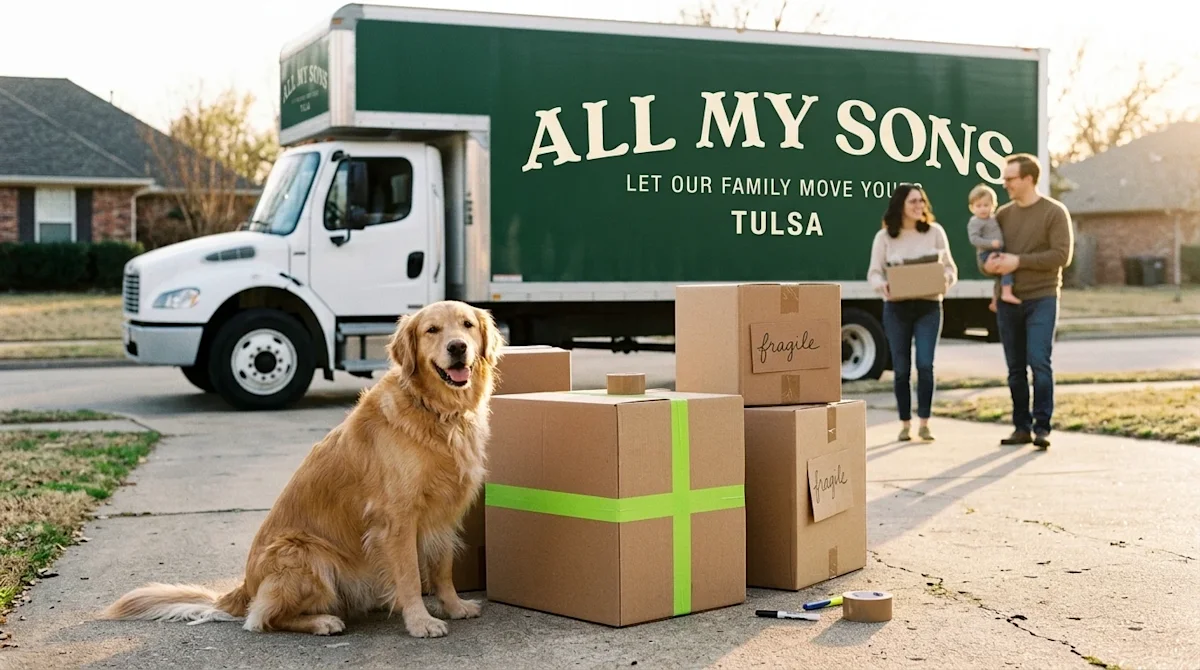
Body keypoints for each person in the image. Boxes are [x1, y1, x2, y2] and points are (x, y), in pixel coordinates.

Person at [981, 153, 1074, 450]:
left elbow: (1062, 256)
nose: (1004, 184)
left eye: (1010, 179)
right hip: (1008, 303)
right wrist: (991, 265)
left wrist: (1017, 261)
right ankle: (1021, 427)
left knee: (1039, 362)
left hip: (1042, 298)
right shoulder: (1003, 216)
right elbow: (984, 256)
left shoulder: (1054, 213)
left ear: (1028, 179)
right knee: (1015, 369)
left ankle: (1042, 427)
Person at [867, 183, 958, 442]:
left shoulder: (935, 232)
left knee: (925, 364)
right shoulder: (885, 238)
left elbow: (951, 268)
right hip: (897, 308)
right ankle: (905, 424)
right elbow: (874, 272)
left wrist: (945, 280)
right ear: (900, 206)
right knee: (902, 369)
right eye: (913, 202)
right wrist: (880, 285)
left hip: (929, 306)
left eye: (921, 201)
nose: (919, 206)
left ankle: (925, 422)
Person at [966, 184, 1020, 311]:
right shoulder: (975, 222)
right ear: (972, 208)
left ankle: (995, 301)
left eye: (986, 205)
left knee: (999, 278)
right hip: (987, 253)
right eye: (978, 206)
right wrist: (990, 244)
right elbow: (974, 239)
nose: (983, 209)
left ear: (993, 205)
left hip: (997, 249)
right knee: (1006, 269)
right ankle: (1006, 293)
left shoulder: (993, 218)